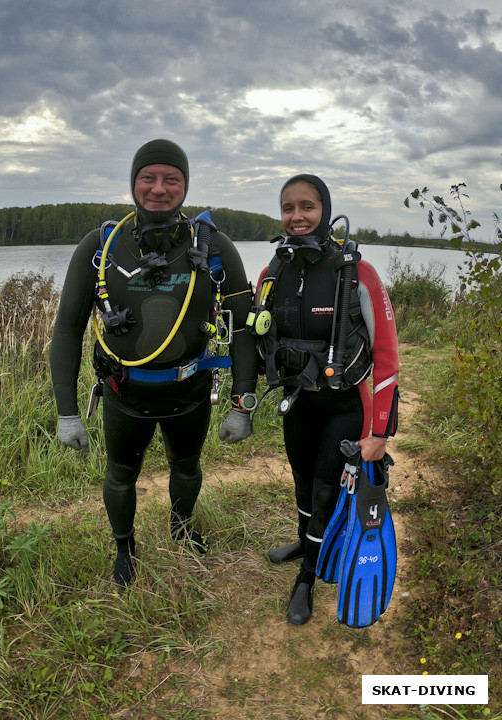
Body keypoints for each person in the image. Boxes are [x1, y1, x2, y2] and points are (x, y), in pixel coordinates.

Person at [50, 139, 258, 586]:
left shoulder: (214, 246)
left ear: (185, 186)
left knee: (187, 466)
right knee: (121, 475)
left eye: (172, 179)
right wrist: (68, 413)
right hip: (125, 394)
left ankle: (182, 530)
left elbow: (242, 327)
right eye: (148, 177)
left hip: (190, 391)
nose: (159, 189)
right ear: (133, 182)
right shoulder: (101, 246)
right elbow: (66, 329)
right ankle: (124, 547)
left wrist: (243, 404)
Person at [253, 174, 399, 625]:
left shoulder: (357, 272)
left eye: (307, 207)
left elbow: (387, 358)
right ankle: (305, 539)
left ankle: (308, 578)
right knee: (301, 481)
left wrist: (378, 432)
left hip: (342, 406)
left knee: (324, 487)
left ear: (325, 210)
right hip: (298, 404)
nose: (296, 217)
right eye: (288, 208)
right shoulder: (272, 272)